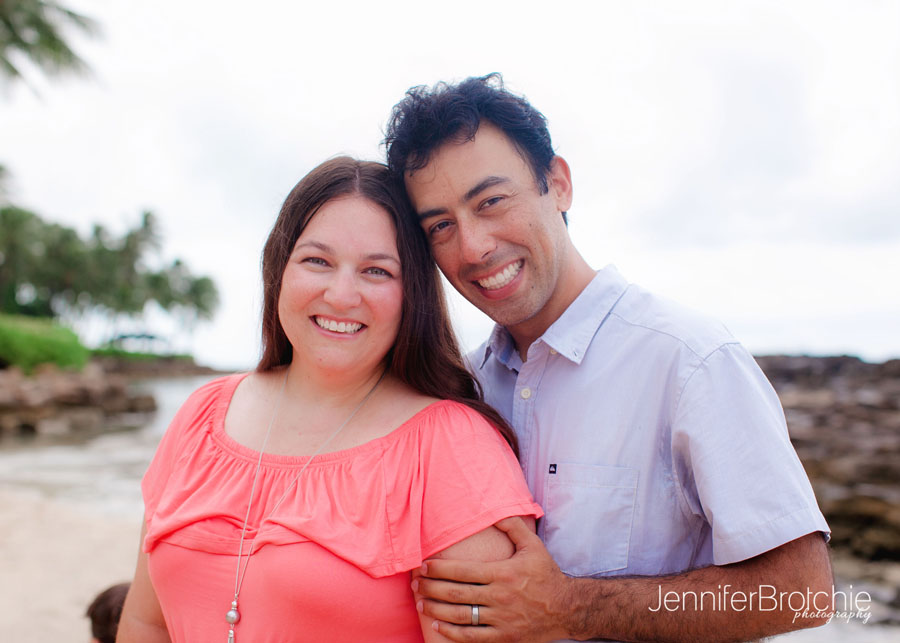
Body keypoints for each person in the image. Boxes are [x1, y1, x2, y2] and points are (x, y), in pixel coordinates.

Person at [385, 73, 834, 642]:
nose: (472, 247)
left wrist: (571, 606)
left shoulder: (689, 361)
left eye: (492, 201)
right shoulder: (460, 392)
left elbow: (803, 592)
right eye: (441, 226)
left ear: (559, 184)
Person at [116, 157, 542, 642]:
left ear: (413, 294)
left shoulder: (453, 448)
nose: (341, 295)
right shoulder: (201, 414)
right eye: (317, 261)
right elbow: (145, 622)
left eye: (377, 271)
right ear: (279, 269)